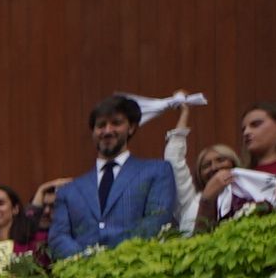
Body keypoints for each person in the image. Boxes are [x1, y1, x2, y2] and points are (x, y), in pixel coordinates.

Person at [43, 96, 178, 258]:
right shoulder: (69, 191)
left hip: (137, 271)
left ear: (131, 128)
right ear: (93, 132)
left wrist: (116, 259)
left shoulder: (157, 171)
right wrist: (88, 263)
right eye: (101, 125)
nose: (107, 131)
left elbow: (156, 220)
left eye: (116, 123)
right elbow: (58, 238)